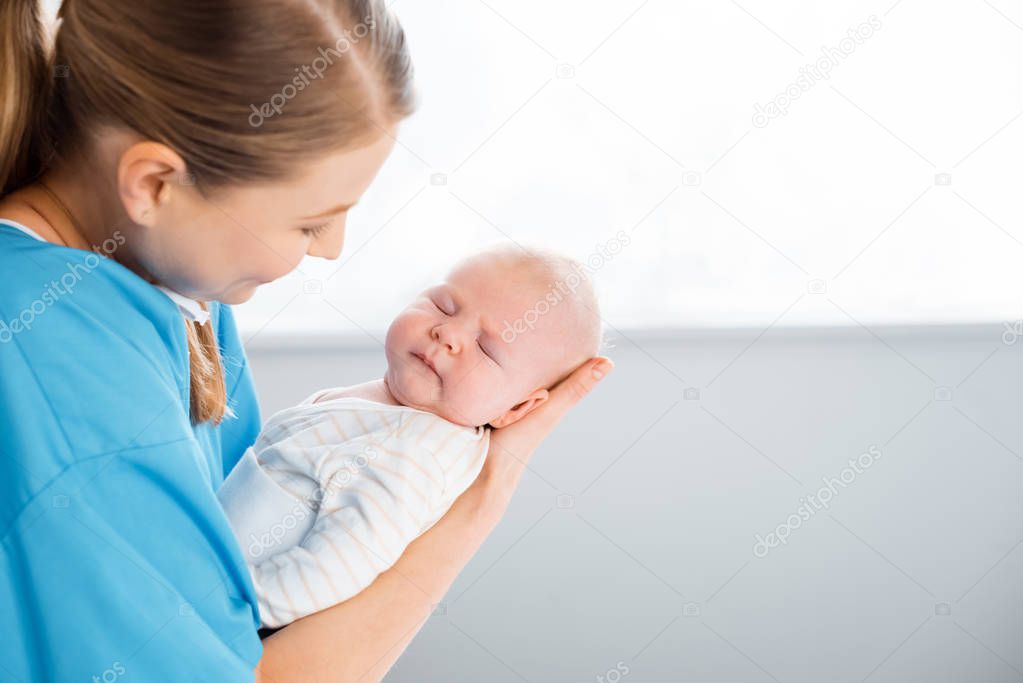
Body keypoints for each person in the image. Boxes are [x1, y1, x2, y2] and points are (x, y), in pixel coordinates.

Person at [0, 1, 613, 681]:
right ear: (153, 185)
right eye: (308, 222)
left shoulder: (179, 287)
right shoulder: (62, 367)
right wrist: (479, 505)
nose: (332, 249)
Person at [218, 246, 603, 628]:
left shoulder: (417, 452)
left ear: (517, 409)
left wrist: (229, 606)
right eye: (444, 305)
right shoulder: (398, 412)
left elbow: (340, 564)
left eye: (486, 349)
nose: (447, 332)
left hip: (226, 607)